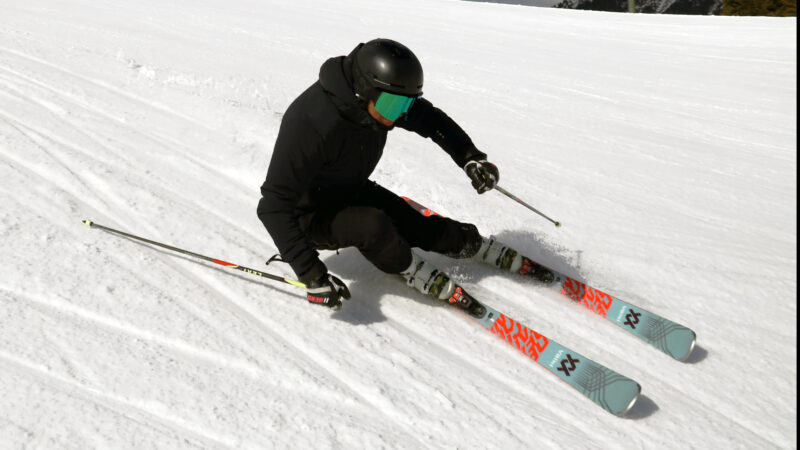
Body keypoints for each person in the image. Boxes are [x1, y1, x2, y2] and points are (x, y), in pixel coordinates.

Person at [257, 39, 551, 317]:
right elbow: (272, 206)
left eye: (405, 105)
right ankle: (409, 268)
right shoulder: (311, 123)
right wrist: (311, 274)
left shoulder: (382, 98)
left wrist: (470, 157)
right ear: (363, 91)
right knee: (375, 228)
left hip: (348, 188)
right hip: (308, 216)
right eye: (392, 107)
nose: (398, 116)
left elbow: (431, 120)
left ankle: (472, 244)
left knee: (418, 227)